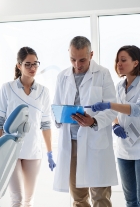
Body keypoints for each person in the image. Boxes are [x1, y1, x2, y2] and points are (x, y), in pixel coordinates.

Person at [53, 36, 118, 207]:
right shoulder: (62, 77)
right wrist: (60, 116)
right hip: (71, 143)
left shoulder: (102, 74)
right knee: (79, 198)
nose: (77, 64)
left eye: (82, 59)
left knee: (100, 197)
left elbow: (112, 108)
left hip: (95, 142)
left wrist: (93, 121)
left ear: (91, 55)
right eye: (73, 59)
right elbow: (56, 107)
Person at [90, 45, 140, 207]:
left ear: (136, 63)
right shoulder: (118, 86)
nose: (119, 64)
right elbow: (114, 113)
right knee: (130, 200)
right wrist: (115, 124)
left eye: (123, 60)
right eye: (118, 60)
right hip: (123, 150)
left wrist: (109, 105)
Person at [0, 47, 56, 207]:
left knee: (28, 200)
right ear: (19, 66)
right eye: (28, 64)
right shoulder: (7, 88)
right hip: (11, 148)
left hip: (33, 150)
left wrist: (50, 152)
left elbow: (45, 124)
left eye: (35, 64)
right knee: (17, 199)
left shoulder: (43, 91)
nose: (32, 68)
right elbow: (0, 120)